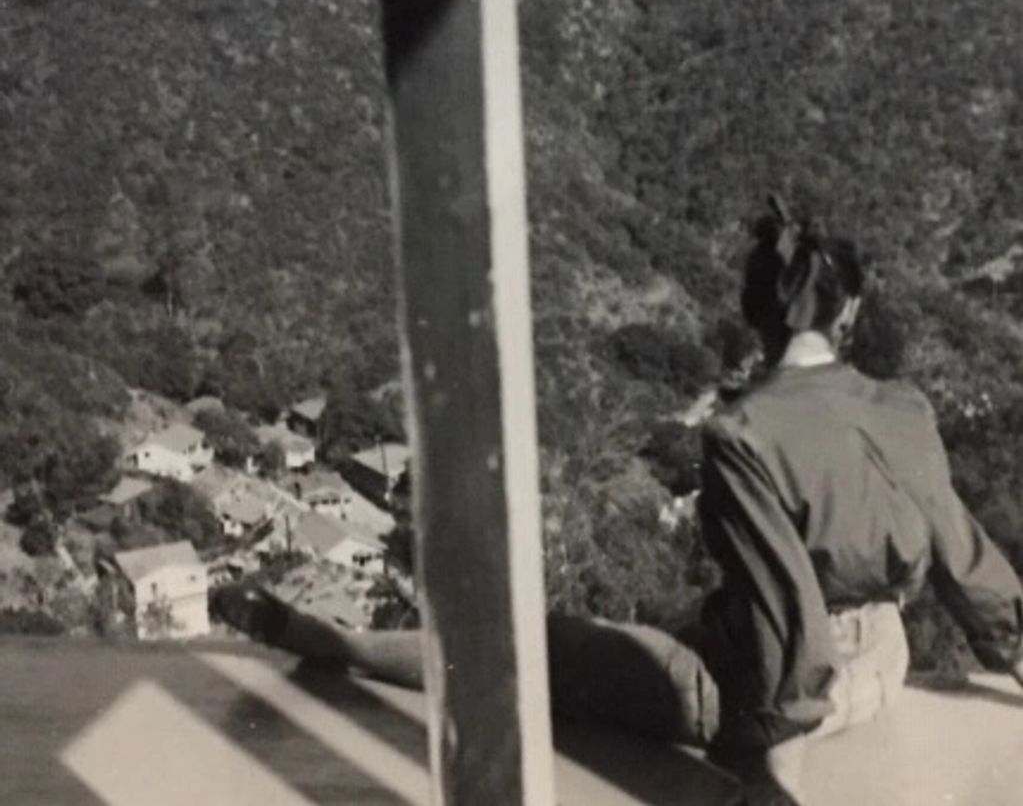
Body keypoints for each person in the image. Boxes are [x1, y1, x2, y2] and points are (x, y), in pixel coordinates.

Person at [212, 196, 1023, 804]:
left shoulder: (742, 434)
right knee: (676, 634)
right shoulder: (904, 406)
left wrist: (771, 774)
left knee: (537, 648)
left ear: (752, 313)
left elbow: (790, 619)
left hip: (766, 688)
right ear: (846, 310)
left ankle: (336, 643)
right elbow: (966, 559)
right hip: (882, 659)